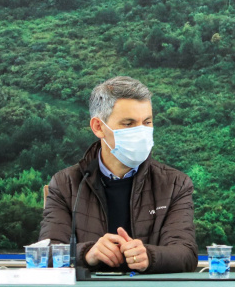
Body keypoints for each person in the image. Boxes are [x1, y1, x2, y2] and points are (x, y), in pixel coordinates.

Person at [39, 76, 198, 273]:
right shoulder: (66, 184)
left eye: (147, 122)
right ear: (98, 127)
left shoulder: (175, 184)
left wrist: (148, 256)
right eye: (129, 124)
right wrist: (87, 253)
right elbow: (45, 254)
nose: (141, 132)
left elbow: (186, 253)